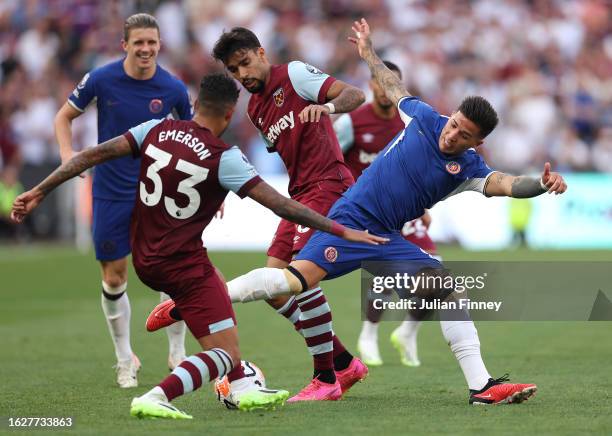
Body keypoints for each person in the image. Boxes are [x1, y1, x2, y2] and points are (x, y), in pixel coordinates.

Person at [223, 19, 568, 405]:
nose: (452, 134)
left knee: (446, 289)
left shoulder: (469, 167)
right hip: (349, 219)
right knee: (290, 282)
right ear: (450, 114)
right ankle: (208, 299)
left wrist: (540, 184)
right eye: (454, 124)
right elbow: (391, 85)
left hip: (387, 237)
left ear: (478, 142)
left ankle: (481, 386)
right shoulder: (422, 117)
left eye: (464, 135)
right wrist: (368, 52)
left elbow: (505, 184)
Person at [11, 73, 386, 419]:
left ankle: (242, 385)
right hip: (184, 265)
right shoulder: (224, 157)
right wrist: (340, 229)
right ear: (228, 113)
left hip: (145, 258)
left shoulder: (155, 128)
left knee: (222, 302)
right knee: (225, 353)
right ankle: (157, 396)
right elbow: (282, 205)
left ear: (194, 105)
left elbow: (90, 155)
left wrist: (39, 191)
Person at [147, 26, 369, 402]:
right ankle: (344, 361)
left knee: (297, 277)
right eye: (234, 70)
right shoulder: (255, 109)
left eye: (246, 63)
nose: (243, 74)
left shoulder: (295, 75)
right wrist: (218, 192)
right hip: (298, 195)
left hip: (328, 185)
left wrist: (327, 107)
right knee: (275, 287)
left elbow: (355, 94)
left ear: (262, 53)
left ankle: (326, 377)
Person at [53, 13, 192, 387]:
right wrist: (68, 156)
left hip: (158, 191)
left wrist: (207, 181)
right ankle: (124, 359)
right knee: (114, 277)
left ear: (160, 44)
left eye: (152, 42)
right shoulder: (101, 79)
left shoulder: (174, 89)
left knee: (169, 270)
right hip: (111, 191)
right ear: (125, 46)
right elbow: (63, 117)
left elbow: (197, 138)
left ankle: (177, 351)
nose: (145, 49)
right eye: (139, 43)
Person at [334, 60, 438, 367]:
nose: (383, 88)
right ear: (371, 85)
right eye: (379, 81)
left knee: (435, 271)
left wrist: (425, 207)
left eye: (390, 82)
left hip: (404, 208)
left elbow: (418, 169)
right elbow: (331, 161)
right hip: (367, 211)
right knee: (384, 271)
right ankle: (369, 332)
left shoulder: (410, 123)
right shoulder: (352, 122)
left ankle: (407, 331)